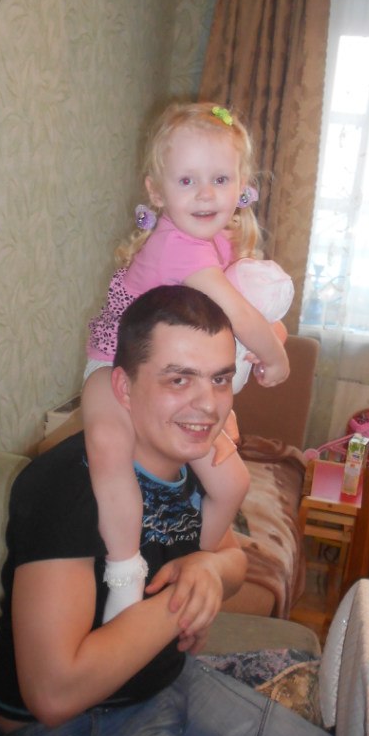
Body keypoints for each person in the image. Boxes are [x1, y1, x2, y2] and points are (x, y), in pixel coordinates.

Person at [0, 285, 367, 736]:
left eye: (220, 379)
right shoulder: (65, 489)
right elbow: (54, 692)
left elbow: (232, 558)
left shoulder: (191, 458)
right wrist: (183, 603)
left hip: (163, 679)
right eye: (178, 379)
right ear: (122, 387)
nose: (207, 405)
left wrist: (211, 568)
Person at [84, 101, 293, 622]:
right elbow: (239, 317)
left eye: (220, 179)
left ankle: (190, 558)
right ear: (157, 192)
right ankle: (125, 572)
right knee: (110, 458)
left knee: (233, 483)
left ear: (241, 186)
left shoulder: (216, 242)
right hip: (113, 369)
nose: (205, 194)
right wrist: (276, 359)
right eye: (187, 181)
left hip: (172, 382)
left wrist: (263, 341)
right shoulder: (179, 247)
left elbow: (230, 325)